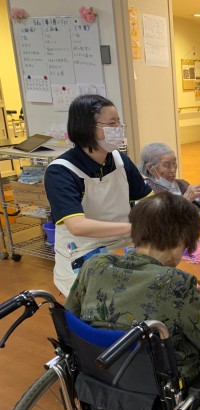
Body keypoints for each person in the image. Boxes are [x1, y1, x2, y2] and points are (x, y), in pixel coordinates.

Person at [65, 192, 200, 382]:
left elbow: (71, 319)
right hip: (161, 382)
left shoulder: (94, 265)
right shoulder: (175, 283)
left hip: (100, 373)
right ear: (182, 237)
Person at [44, 95, 152, 296]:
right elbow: (77, 226)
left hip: (125, 245)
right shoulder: (60, 171)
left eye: (119, 123)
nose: (118, 129)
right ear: (87, 127)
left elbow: (148, 200)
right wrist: (136, 228)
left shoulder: (120, 160)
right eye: (112, 124)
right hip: (84, 252)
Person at [139, 142, 200, 213]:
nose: (173, 169)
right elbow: (159, 220)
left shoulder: (182, 184)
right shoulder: (146, 192)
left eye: (174, 163)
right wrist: (185, 200)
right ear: (150, 168)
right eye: (166, 165)